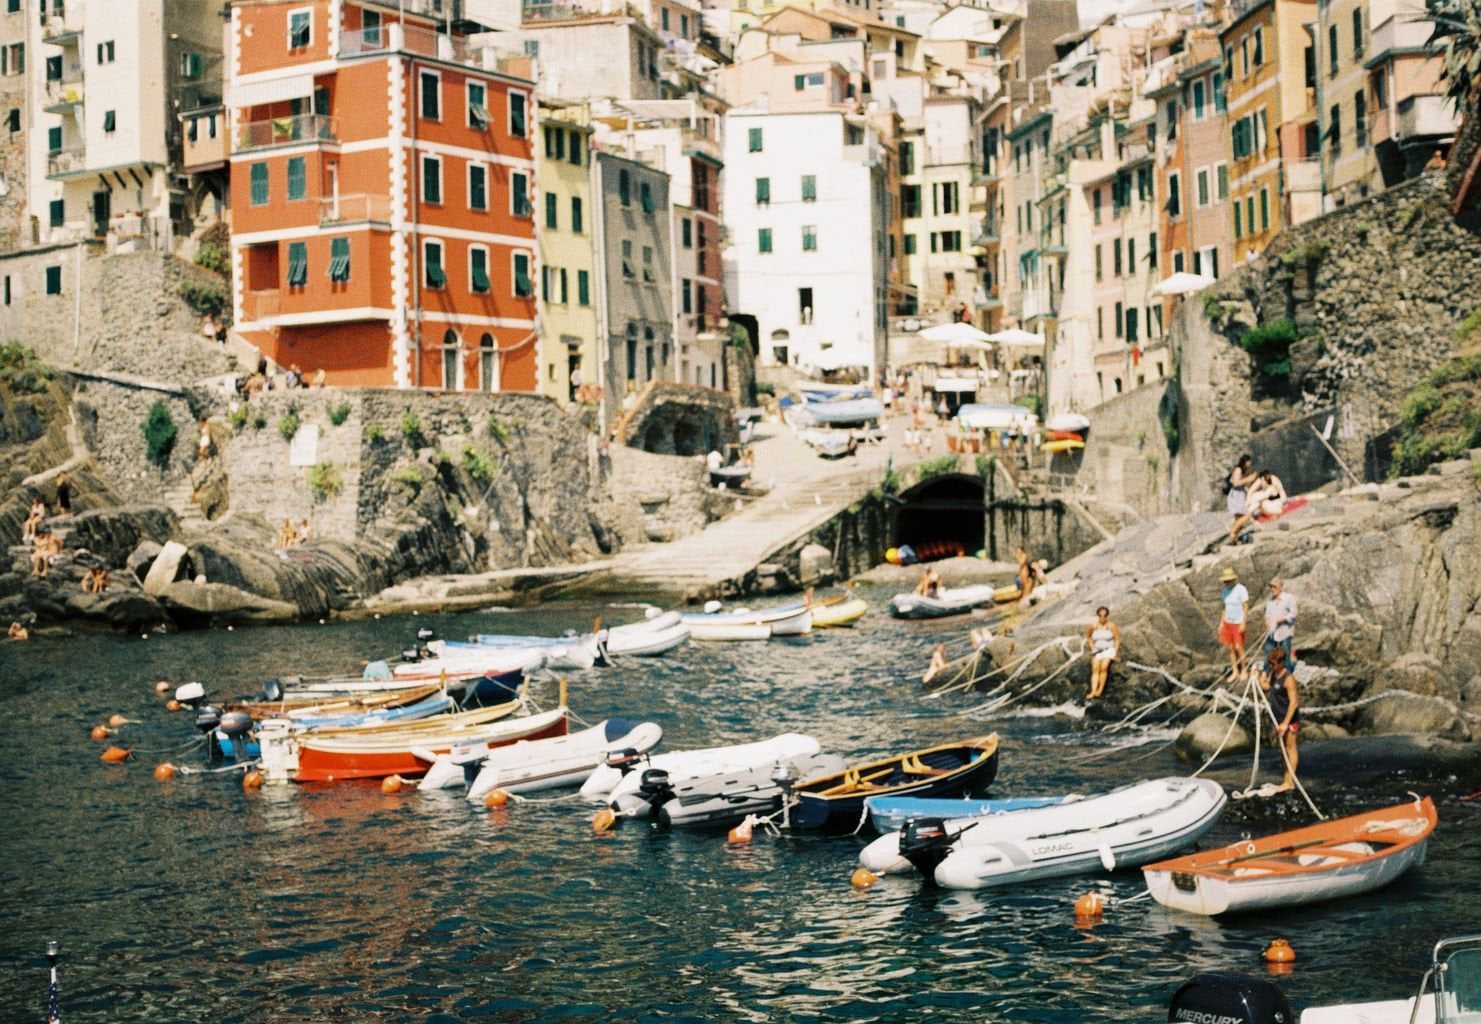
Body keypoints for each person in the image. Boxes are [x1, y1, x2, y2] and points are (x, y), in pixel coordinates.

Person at [1257, 645, 1301, 792]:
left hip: (1289, 720)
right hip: (1278, 718)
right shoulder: (1273, 674)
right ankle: (1286, 780)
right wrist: (1257, 675)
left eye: (1273, 664)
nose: (1271, 666)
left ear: (1281, 663)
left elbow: (1294, 702)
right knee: (1283, 750)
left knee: (1290, 748)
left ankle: (1290, 781)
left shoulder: (1289, 679)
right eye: (1269, 663)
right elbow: (1265, 687)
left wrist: (1285, 724)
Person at [1230, 470, 1288, 541]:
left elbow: (1280, 497)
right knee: (1254, 503)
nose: (1261, 483)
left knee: (1257, 502)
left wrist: (1250, 501)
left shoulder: (1272, 484)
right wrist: (1248, 501)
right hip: (1268, 504)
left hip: (1276, 505)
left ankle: (1241, 521)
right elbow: (1251, 491)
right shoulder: (1262, 481)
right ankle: (1244, 517)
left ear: (1264, 479)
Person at [1218, 566, 1250, 678]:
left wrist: (1243, 622)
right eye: (1225, 581)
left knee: (1239, 647)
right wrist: (1221, 623)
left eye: (1228, 581)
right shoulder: (1224, 591)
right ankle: (1235, 670)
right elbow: (1224, 608)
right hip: (1228, 622)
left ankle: (1244, 670)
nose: (1227, 583)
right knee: (1230, 648)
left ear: (1233, 580)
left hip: (1238, 622)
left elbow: (1246, 607)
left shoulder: (1241, 589)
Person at [1085, 605, 1120, 700]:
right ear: (1098, 616)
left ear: (1107, 616)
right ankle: (1093, 691)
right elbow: (1088, 637)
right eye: (1100, 615)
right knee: (1095, 668)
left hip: (1109, 650)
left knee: (1103, 667)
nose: (1102, 618)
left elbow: (1117, 639)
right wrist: (1093, 648)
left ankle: (1100, 690)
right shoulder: (1094, 626)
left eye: (1104, 615)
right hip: (1097, 650)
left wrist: (1115, 653)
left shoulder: (1111, 626)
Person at [1264, 577, 1297, 668]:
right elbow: (1267, 614)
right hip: (1272, 633)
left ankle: (1287, 676)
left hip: (1285, 633)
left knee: (1285, 655)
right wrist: (1266, 620)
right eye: (1271, 587)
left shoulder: (1289, 598)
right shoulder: (1270, 600)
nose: (1272, 589)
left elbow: (1293, 613)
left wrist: (1283, 619)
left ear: (1281, 587)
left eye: (1274, 587)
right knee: (1268, 653)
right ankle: (1267, 674)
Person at [1224, 455, 1255, 541]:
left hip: (1239, 496)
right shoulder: (1238, 469)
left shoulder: (1242, 471)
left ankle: (1235, 539)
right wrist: (1248, 479)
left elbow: (1241, 483)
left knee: (1239, 518)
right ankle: (1232, 532)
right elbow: (1235, 483)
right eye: (1249, 462)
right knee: (1247, 515)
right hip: (1235, 497)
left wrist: (1250, 480)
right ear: (1244, 462)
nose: (1250, 464)